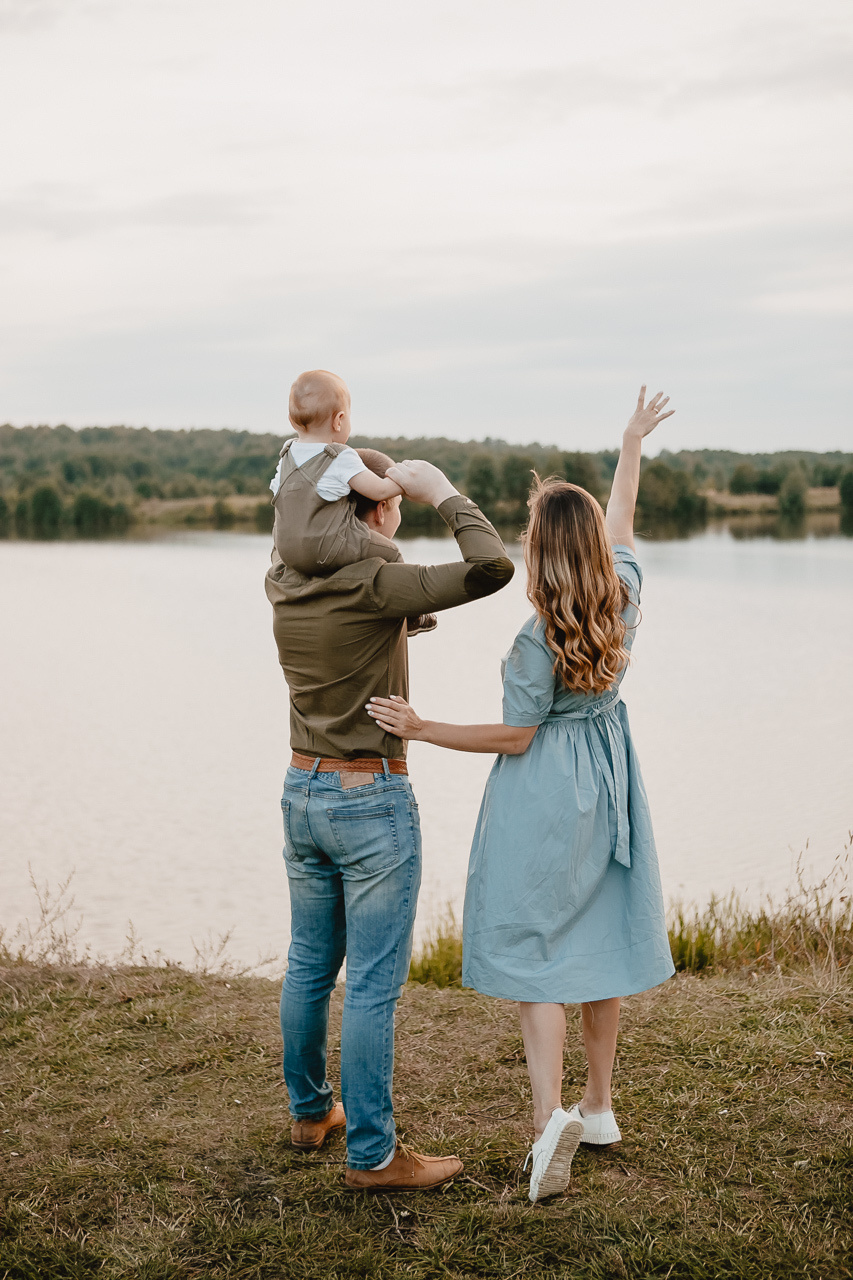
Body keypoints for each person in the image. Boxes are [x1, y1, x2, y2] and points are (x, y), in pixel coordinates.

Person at [367, 387, 677, 1203]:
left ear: (539, 550)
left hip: (544, 792)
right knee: (601, 939)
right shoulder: (624, 591)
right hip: (609, 776)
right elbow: (621, 519)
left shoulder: (536, 637)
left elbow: (515, 737)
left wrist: (422, 726)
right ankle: (599, 1107)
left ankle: (549, 1121)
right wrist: (630, 444)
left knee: (538, 949)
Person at [265, 448, 514, 1191]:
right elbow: (491, 568)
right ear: (377, 509)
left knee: (309, 965)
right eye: (395, 503)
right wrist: (443, 492)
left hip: (301, 788)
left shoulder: (282, 578)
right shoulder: (374, 583)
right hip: (367, 798)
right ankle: (373, 1156)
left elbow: (359, 603)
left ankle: (310, 1113)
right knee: (372, 984)